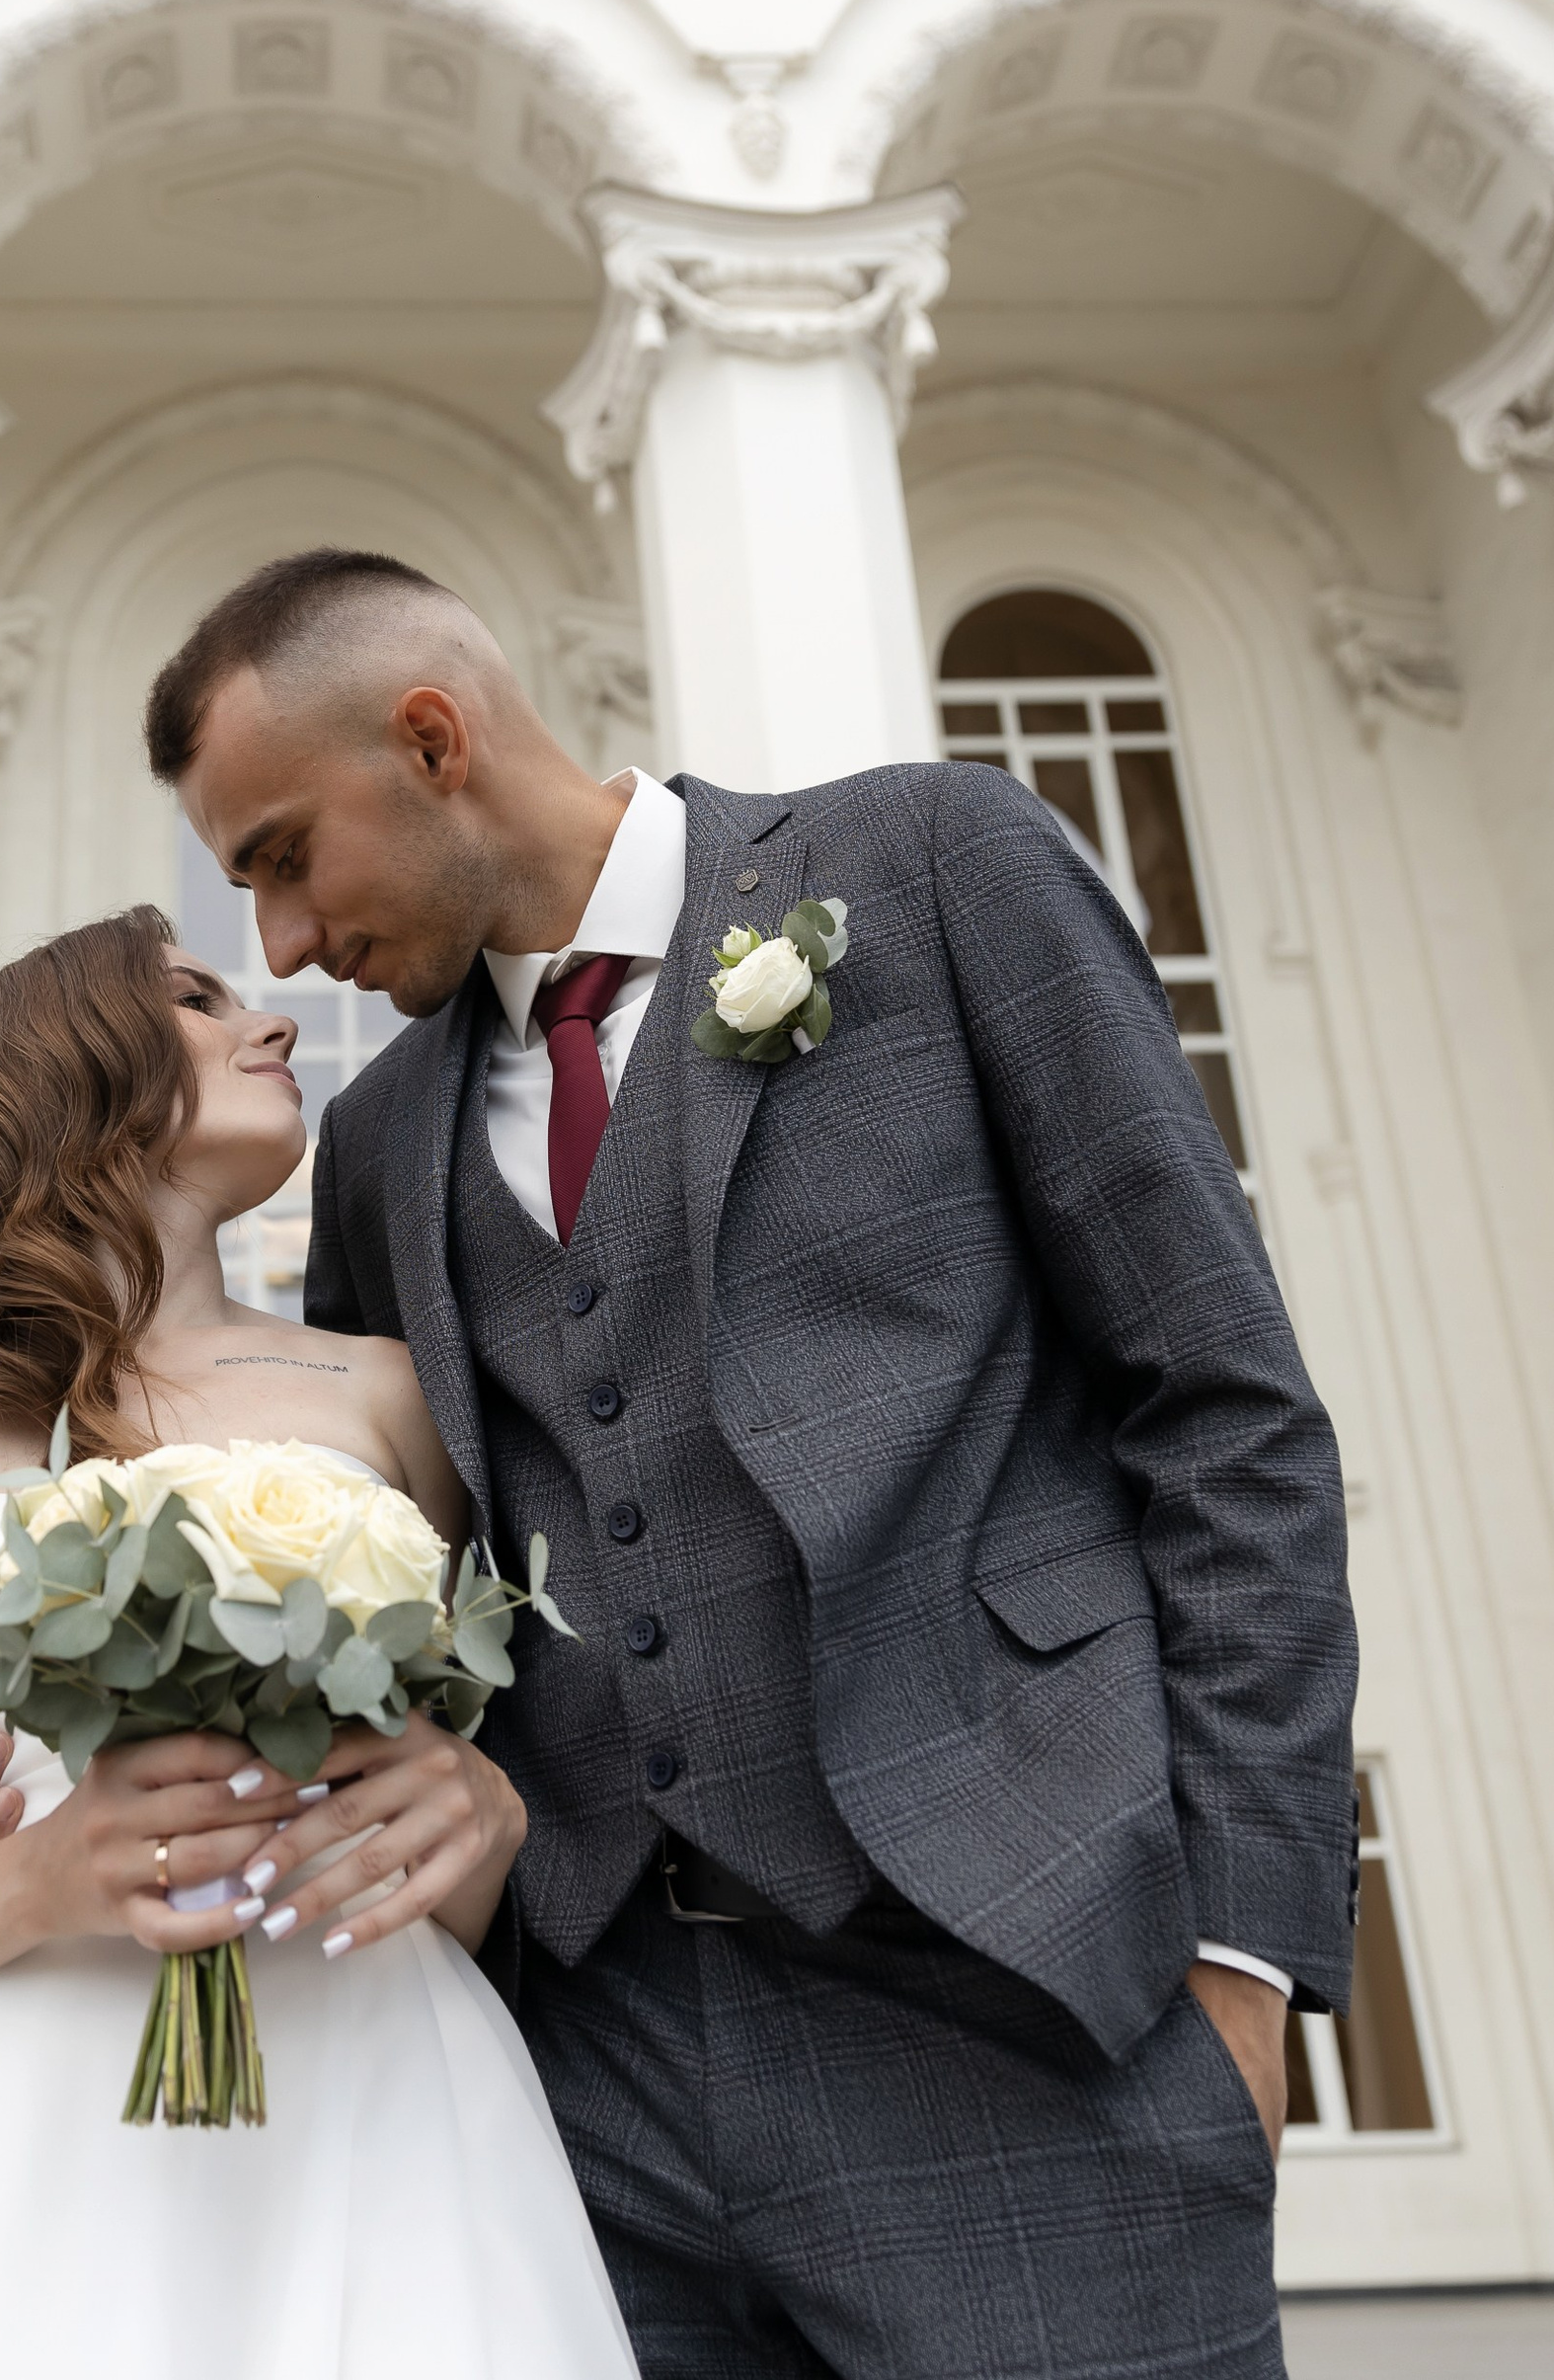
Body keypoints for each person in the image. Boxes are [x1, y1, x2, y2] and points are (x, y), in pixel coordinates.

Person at [105, 546, 1359, 2379]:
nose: (283, 944)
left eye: (284, 855)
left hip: (1021, 2007)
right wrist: (59, 1745)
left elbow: (1224, 1404)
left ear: (433, 739)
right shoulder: (376, 1142)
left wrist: (1245, 1953)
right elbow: (371, 1584)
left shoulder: (933, 866)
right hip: (590, 2077)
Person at [0, 907, 639, 2378]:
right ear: (64, 1063)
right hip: (20, 2128)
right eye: (201, 999)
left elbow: (432, 1862)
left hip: (379, 2097)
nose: (275, 1023)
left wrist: (481, 1820)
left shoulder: (390, 1390)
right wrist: (39, 1878)